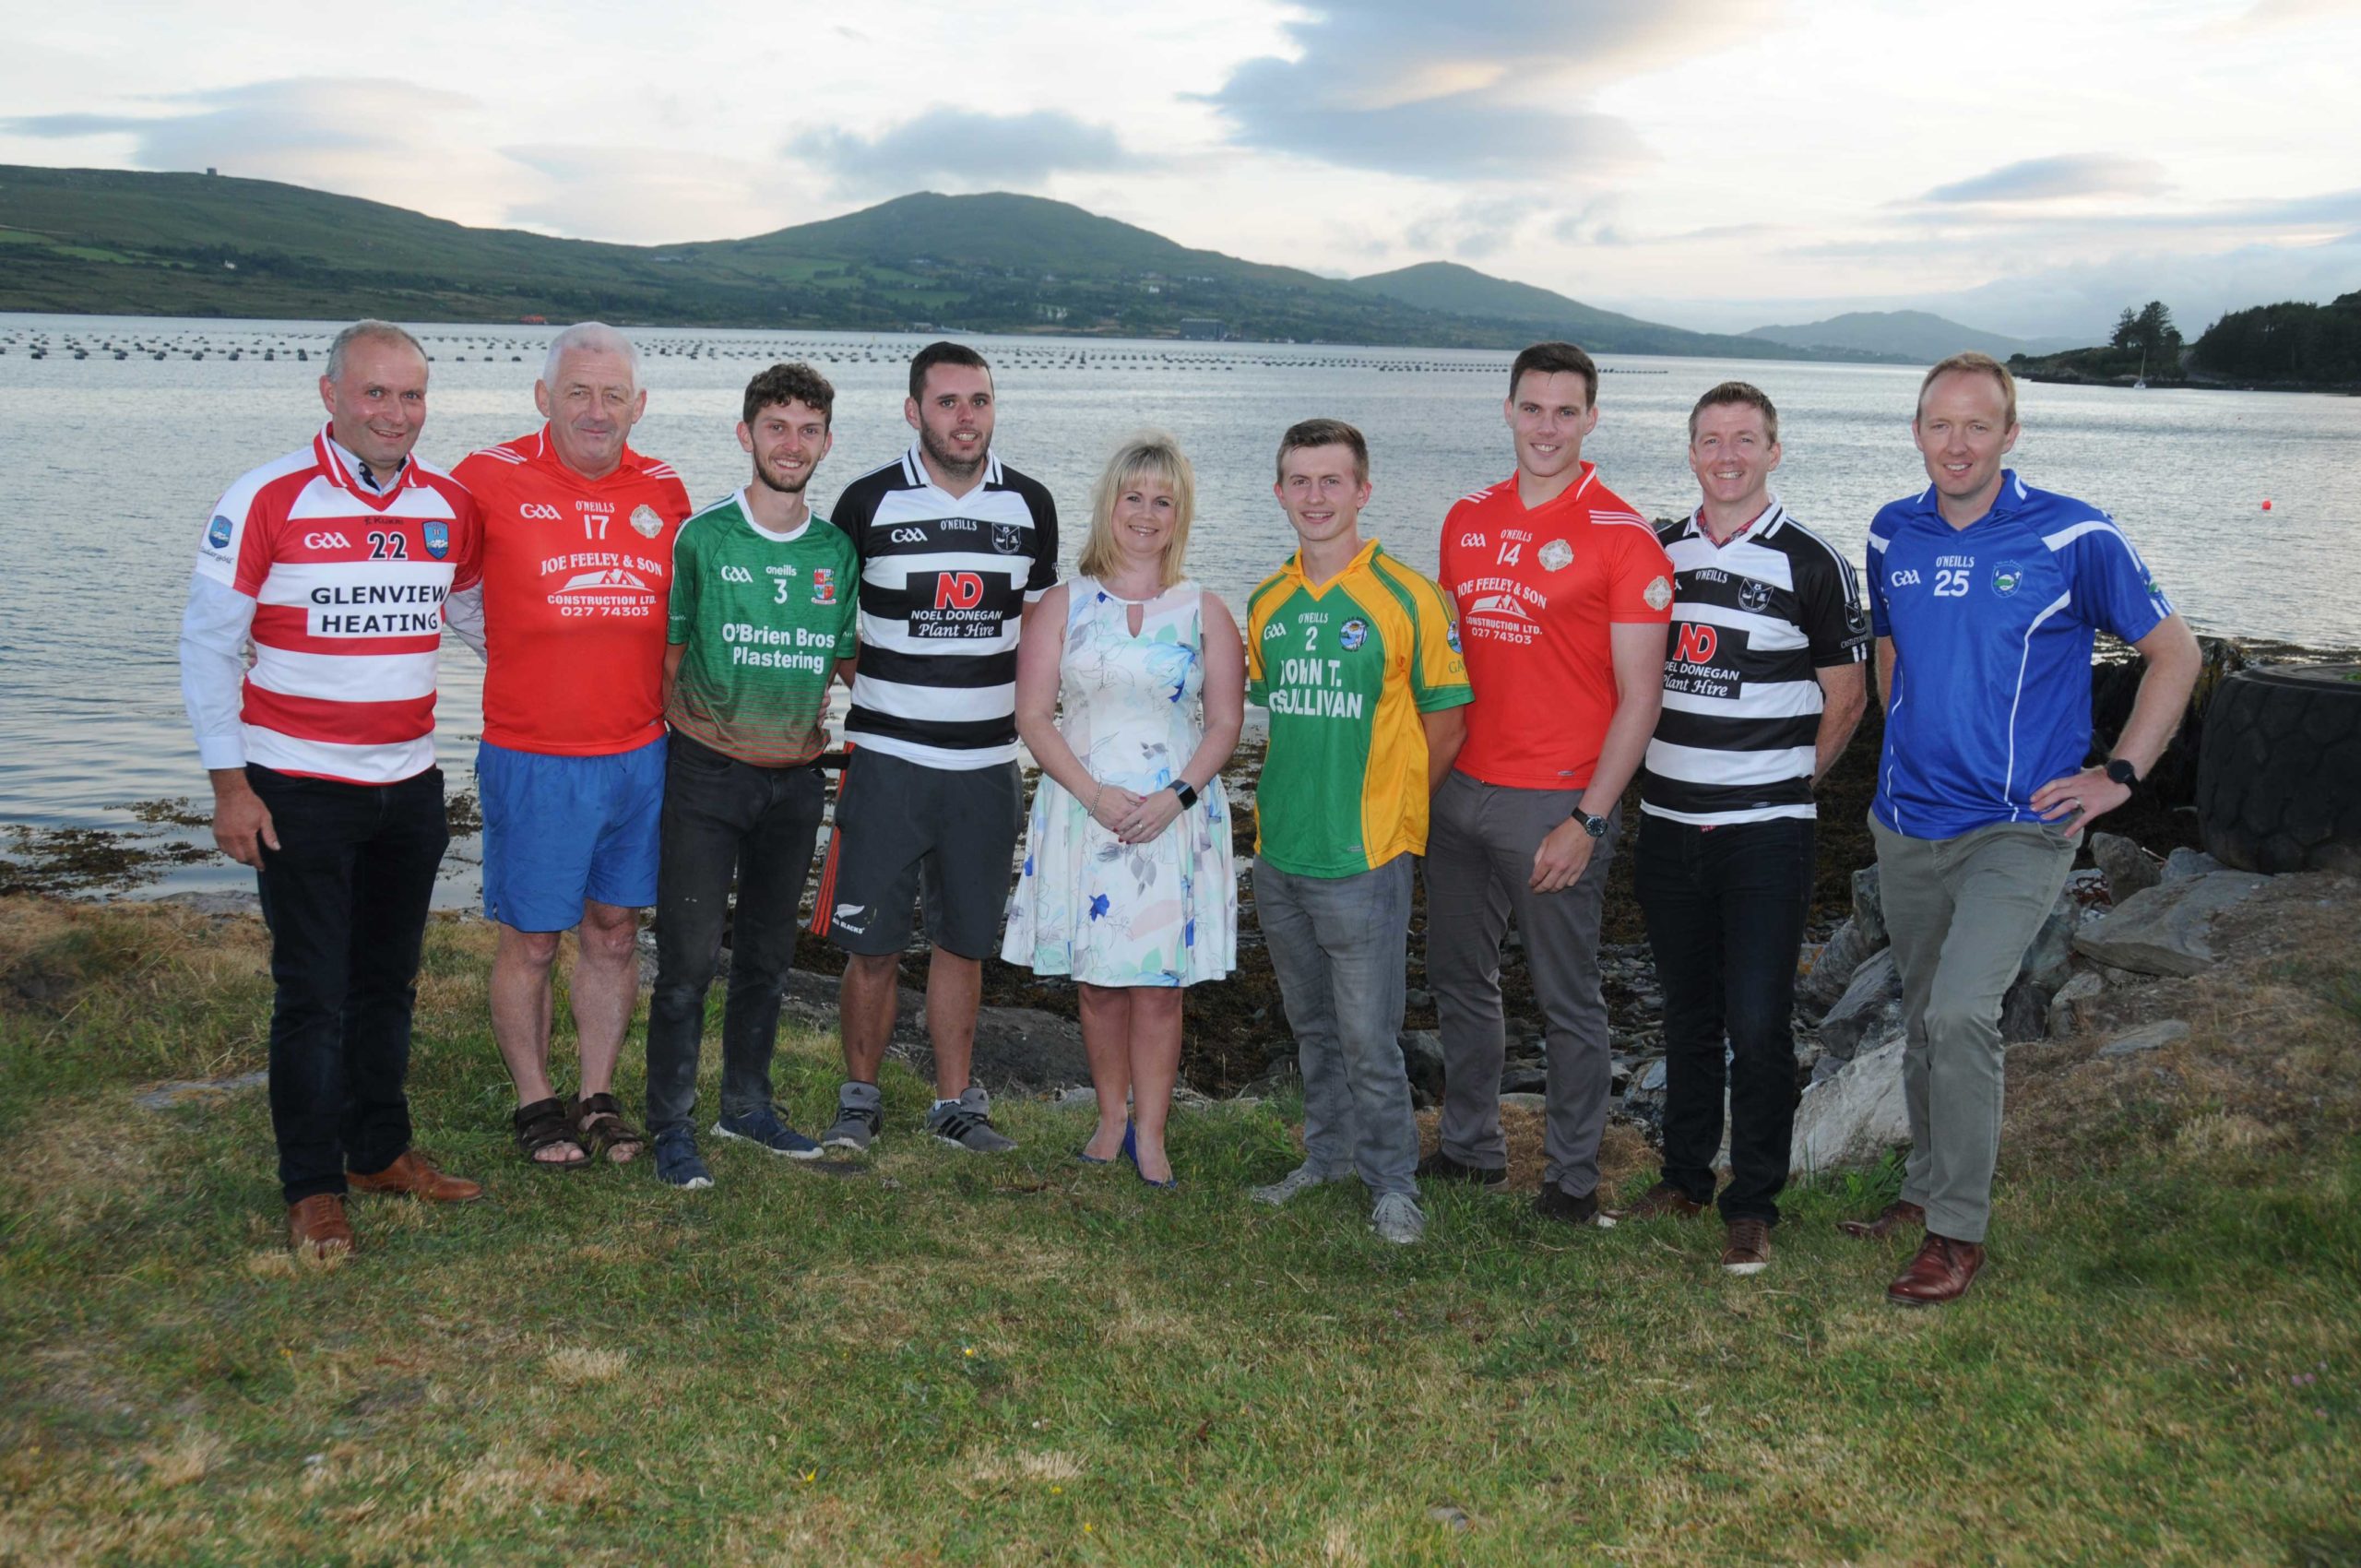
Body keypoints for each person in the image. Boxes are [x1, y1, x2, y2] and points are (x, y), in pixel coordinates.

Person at [1845, 351, 2201, 1305]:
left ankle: (1958, 1231)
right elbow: (1890, 648)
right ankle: (1920, 1192)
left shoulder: (2073, 533)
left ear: (2010, 434)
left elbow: (2174, 651)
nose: (1954, 443)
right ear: (1916, 430)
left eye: (1975, 425)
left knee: (1963, 1010)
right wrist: (1907, 743)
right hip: (1907, 822)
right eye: (1936, 424)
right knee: (1922, 1015)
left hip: (2020, 825)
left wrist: (2118, 773)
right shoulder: (1892, 531)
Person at [178, 319, 485, 1259]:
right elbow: (207, 643)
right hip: (298, 786)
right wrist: (231, 785)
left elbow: (478, 615)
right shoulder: (266, 495)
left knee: (388, 981)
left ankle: (377, 1150)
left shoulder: (448, 502)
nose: (396, 413)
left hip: (410, 784)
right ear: (330, 395)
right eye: (375, 393)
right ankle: (311, 1186)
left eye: (412, 395)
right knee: (312, 993)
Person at [1426, 342, 1674, 1227]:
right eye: (1533, 408)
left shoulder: (1624, 536)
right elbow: (1447, 666)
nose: (1547, 427)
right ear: (1507, 410)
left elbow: (1641, 698)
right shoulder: (1465, 518)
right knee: (1460, 978)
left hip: (1556, 800)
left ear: (1592, 419)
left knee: (1569, 999)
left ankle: (1571, 1177)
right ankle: (1468, 1147)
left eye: (1566, 412)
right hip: (1460, 793)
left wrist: (1590, 821)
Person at [1631, 382, 1869, 1275]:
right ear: (1690, 450)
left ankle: (1752, 1200)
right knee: (1686, 1011)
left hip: (1765, 829)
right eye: (1709, 439)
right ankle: (1683, 1176)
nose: (1725, 455)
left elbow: (1846, 699)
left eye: (1744, 440)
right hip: (1664, 822)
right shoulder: (1657, 551)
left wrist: (1777, 786)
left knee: (1760, 1020)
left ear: (1774, 450)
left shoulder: (1811, 561)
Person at [445, 324, 691, 1171]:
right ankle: (533, 1101)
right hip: (534, 754)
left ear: (639, 405)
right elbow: (428, 583)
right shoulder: (484, 480)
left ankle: (596, 1094)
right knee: (533, 939)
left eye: (612, 394)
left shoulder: (664, 489)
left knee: (615, 930)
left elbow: (686, 622)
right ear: (543, 397)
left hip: (640, 753)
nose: (596, 410)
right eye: (578, 392)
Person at [810, 342, 1059, 1153]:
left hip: (986, 768)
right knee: (873, 945)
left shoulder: (1031, 505)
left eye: (979, 401)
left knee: (963, 942)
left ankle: (957, 1103)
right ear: (914, 411)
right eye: (947, 403)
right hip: (886, 764)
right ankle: (859, 1099)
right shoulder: (867, 501)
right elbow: (831, 628)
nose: (965, 418)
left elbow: (1041, 638)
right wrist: (885, 693)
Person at [1244, 419, 1471, 1244]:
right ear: (1278, 493)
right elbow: (1281, 722)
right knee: (1311, 1026)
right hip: (1280, 853)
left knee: (1371, 1036)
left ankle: (1393, 1185)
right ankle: (1327, 1157)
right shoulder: (1266, 600)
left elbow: (1447, 721)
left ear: (1362, 491)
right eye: (1299, 482)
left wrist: (1397, 808)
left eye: (1330, 481)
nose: (1314, 497)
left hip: (1365, 855)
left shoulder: (1408, 596)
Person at [1003, 433, 1243, 1188]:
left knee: (1158, 985)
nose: (1145, 513)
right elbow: (1034, 718)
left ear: (1180, 515)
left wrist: (1176, 797)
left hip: (1173, 818)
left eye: (1162, 501)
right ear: (1109, 505)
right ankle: (1110, 1118)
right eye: (1132, 497)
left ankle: (1154, 1131)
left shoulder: (1203, 609)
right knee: (1098, 982)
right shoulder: (1060, 607)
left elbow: (1228, 724)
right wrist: (1094, 793)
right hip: (1084, 810)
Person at [641, 362, 860, 1189]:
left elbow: (848, 665)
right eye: (777, 427)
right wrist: (691, 743)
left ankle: (746, 1107)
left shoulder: (835, 550)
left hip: (797, 779)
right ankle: (671, 1126)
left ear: (827, 443)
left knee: (768, 959)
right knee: (688, 965)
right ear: (747, 435)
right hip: (706, 776)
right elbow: (666, 659)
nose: (792, 444)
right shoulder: (703, 538)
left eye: (809, 430)